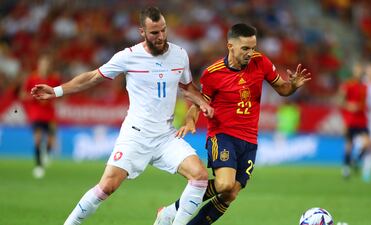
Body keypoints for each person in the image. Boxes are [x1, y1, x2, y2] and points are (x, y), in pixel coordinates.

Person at [31, 7, 214, 225]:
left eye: (163, 30)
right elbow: (92, 78)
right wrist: (57, 90)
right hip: (136, 135)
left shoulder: (179, 54)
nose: (161, 36)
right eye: (154, 32)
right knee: (106, 187)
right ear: (142, 32)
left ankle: (169, 220)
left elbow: (187, 87)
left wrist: (202, 102)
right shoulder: (128, 57)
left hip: (166, 136)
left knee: (200, 177)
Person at [153, 23, 310, 225]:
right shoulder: (213, 73)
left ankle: (169, 212)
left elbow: (283, 89)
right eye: (245, 48)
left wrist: (293, 86)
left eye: (253, 47)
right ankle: (172, 213)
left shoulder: (260, 62)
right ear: (230, 46)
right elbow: (198, 103)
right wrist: (191, 121)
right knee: (225, 183)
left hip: (250, 140)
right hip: (222, 135)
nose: (250, 53)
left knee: (230, 193)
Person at [21, 54, 61, 179]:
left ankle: (46, 154)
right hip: (36, 113)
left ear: (50, 66)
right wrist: (34, 97)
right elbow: (23, 95)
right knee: (37, 139)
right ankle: (38, 166)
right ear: (39, 65)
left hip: (49, 114)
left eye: (47, 64)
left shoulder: (54, 78)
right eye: (43, 64)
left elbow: (59, 94)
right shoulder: (32, 78)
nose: (45, 66)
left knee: (50, 140)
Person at [338, 62, 371, 179]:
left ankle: (355, 159)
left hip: (362, 119)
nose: (359, 72)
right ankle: (346, 169)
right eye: (357, 70)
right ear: (354, 71)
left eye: (360, 70)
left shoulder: (365, 86)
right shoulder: (348, 85)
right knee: (348, 144)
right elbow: (340, 100)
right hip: (350, 119)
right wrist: (348, 105)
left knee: (368, 143)